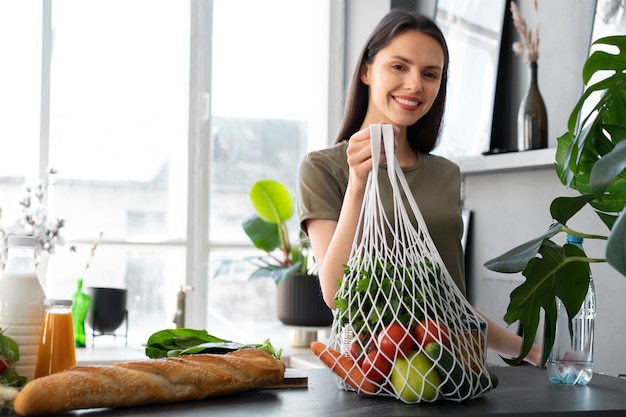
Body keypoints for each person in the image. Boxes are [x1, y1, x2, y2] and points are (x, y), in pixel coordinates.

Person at [297, 9, 541, 366]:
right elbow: (337, 294)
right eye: (399, 66)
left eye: (430, 74)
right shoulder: (324, 168)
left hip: (458, 370)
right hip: (374, 372)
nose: (415, 85)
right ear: (367, 70)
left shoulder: (446, 174)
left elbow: (449, 304)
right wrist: (359, 184)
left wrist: (532, 352)